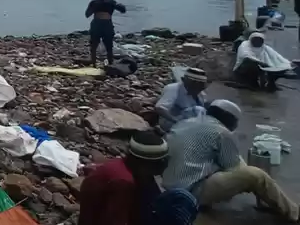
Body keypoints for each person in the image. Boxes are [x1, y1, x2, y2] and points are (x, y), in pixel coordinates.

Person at [163, 99, 300, 222]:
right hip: (189, 194)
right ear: (229, 119)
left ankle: (267, 197)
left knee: (225, 158)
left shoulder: (186, 122)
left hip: (170, 187)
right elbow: (232, 166)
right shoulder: (221, 132)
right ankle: (294, 213)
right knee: (256, 175)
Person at [79, 132, 179, 225]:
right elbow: (115, 220)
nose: (165, 166)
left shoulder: (133, 171)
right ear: (145, 164)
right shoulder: (124, 182)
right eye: (160, 162)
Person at [154, 68, 207, 132]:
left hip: (189, 122)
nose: (197, 88)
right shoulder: (173, 88)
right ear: (184, 80)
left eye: (200, 85)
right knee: (198, 110)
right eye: (193, 84)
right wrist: (176, 121)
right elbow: (159, 108)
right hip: (171, 122)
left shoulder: (200, 94)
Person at [85, 0, 126, 64]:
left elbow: (87, 14)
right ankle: (105, 63)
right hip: (104, 24)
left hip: (98, 24)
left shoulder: (95, 2)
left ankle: (98, 62)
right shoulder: (110, 2)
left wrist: (96, 8)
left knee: (98, 45)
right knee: (104, 45)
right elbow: (123, 10)